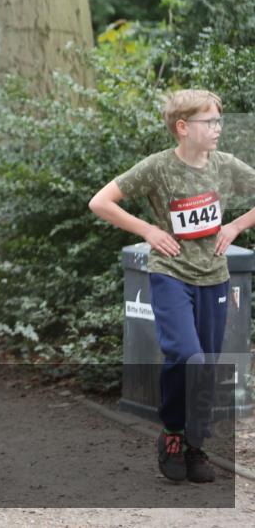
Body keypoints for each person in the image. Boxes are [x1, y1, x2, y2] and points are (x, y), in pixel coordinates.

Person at [89, 89, 255, 484]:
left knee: (205, 365)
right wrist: (148, 230)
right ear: (183, 127)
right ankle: (173, 433)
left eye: (219, 120)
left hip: (214, 277)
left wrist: (235, 225)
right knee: (187, 355)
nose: (218, 128)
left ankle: (195, 444)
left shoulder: (225, 165)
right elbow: (100, 202)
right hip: (170, 274)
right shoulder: (158, 167)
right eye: (209, 121)